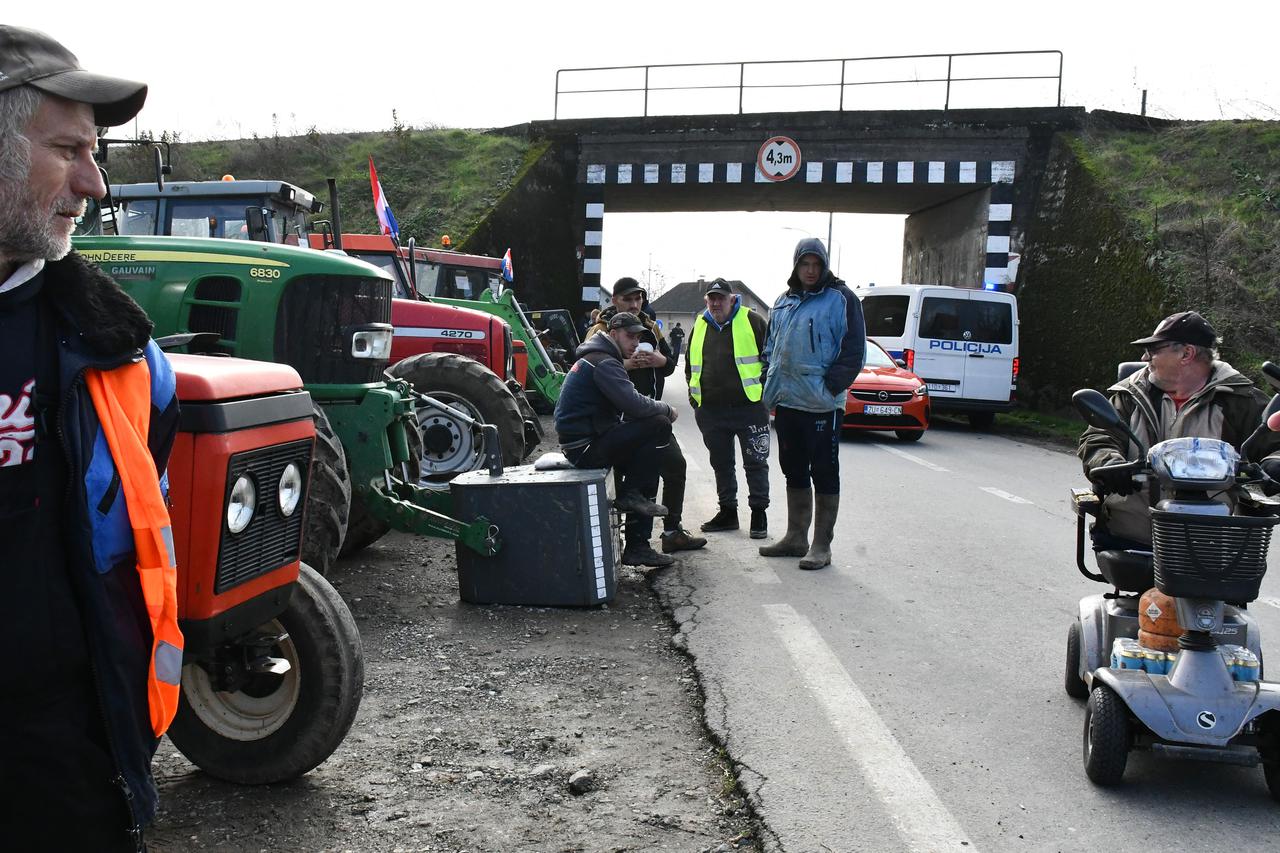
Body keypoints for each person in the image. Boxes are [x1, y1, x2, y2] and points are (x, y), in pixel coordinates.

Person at [0, 26, 181, 849]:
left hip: (75, 768)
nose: (96, 183)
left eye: (96, 152)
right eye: (69, 148)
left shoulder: (120, 350)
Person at [1079, 311, 1280, 548]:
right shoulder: (1130, 395)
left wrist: (1274, 464)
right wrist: (1108, 462)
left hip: (1207, 542)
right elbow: (1099, 436)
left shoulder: (1239, 399)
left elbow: (1273, 444)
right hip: (1130, 536)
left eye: (1154, 350)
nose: (1145, 358)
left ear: (1186, 353)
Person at [759, 238, 865, 570]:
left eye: (816, 265)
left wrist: (831, 387)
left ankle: (821, 545)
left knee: (824, 471)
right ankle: (795, 537)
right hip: (788, 401)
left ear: (824, 266)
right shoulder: (782, 301)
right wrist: (768, 378)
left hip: (822, 405)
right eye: (804, 264)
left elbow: (854, 350)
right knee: (792, 468)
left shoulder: (842, 299)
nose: (810, 270)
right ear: (796, 266)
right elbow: (771, 346)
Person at [584, 278, 705, 565]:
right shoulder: (600, 332)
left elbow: (671, 365)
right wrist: (629, 364)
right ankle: (635, 542)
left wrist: (658, 362)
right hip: (622, 420)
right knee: (640, 477)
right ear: (614, 300)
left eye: (638, 298)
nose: (635, 304)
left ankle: (672, 532)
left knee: (675, 467)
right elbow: (595, 367)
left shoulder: (649, 327)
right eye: (628, 299)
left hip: (652, 416)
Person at [555, 311, 684, 565]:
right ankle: (635, 531)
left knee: (650, 460)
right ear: (613, 334)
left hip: (585, 442)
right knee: (659, 424)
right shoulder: (604, 362)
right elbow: (634, 405)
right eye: (630, 336)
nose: (635, 342)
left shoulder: (598, 357)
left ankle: (638, 543)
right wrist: (668, 410)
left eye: (638, 337)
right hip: (585, 447)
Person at [685, 279, 771, 539]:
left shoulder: (753, 321)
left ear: (732, 299)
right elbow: (690, 363)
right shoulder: (700, 324)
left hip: (750, 407)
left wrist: (764, 392)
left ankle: (759, 514)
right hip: (711, 410)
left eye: (721, 298)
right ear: (706, 301)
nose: (715, 302)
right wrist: (694, 397)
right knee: (721, 464)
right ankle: (727, 512)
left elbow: (771, 358)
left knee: (756, 463)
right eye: (711, 298)